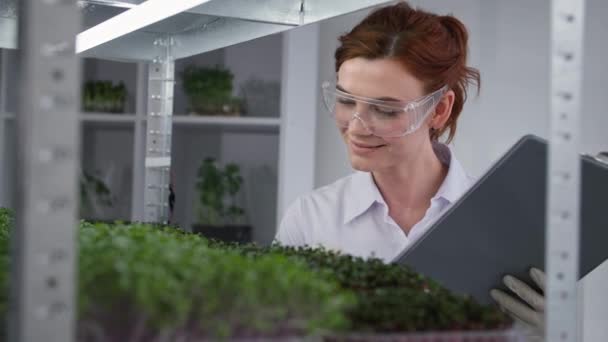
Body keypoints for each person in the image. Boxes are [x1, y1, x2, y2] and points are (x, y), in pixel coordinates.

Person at [274, 1, 549, 338]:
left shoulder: (509, 226)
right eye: (346, 100)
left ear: (439, 110)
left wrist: (554, 333)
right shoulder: (310, 220)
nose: (357, 127)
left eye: (385, 110)